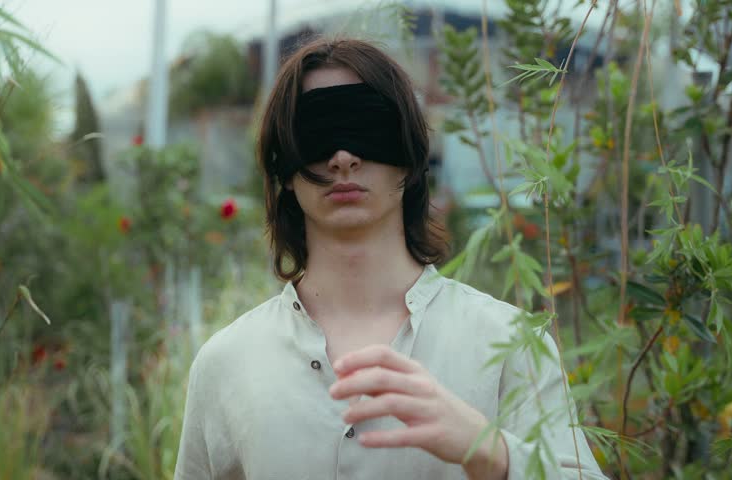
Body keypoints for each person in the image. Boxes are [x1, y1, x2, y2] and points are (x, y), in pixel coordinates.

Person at [173, 37, 606, 480]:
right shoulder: (225, 363)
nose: (343, 157)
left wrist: (491, 452)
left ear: (409, 154)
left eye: (366, 127)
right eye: (317, 134)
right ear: (283, 168)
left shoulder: (510, 344)